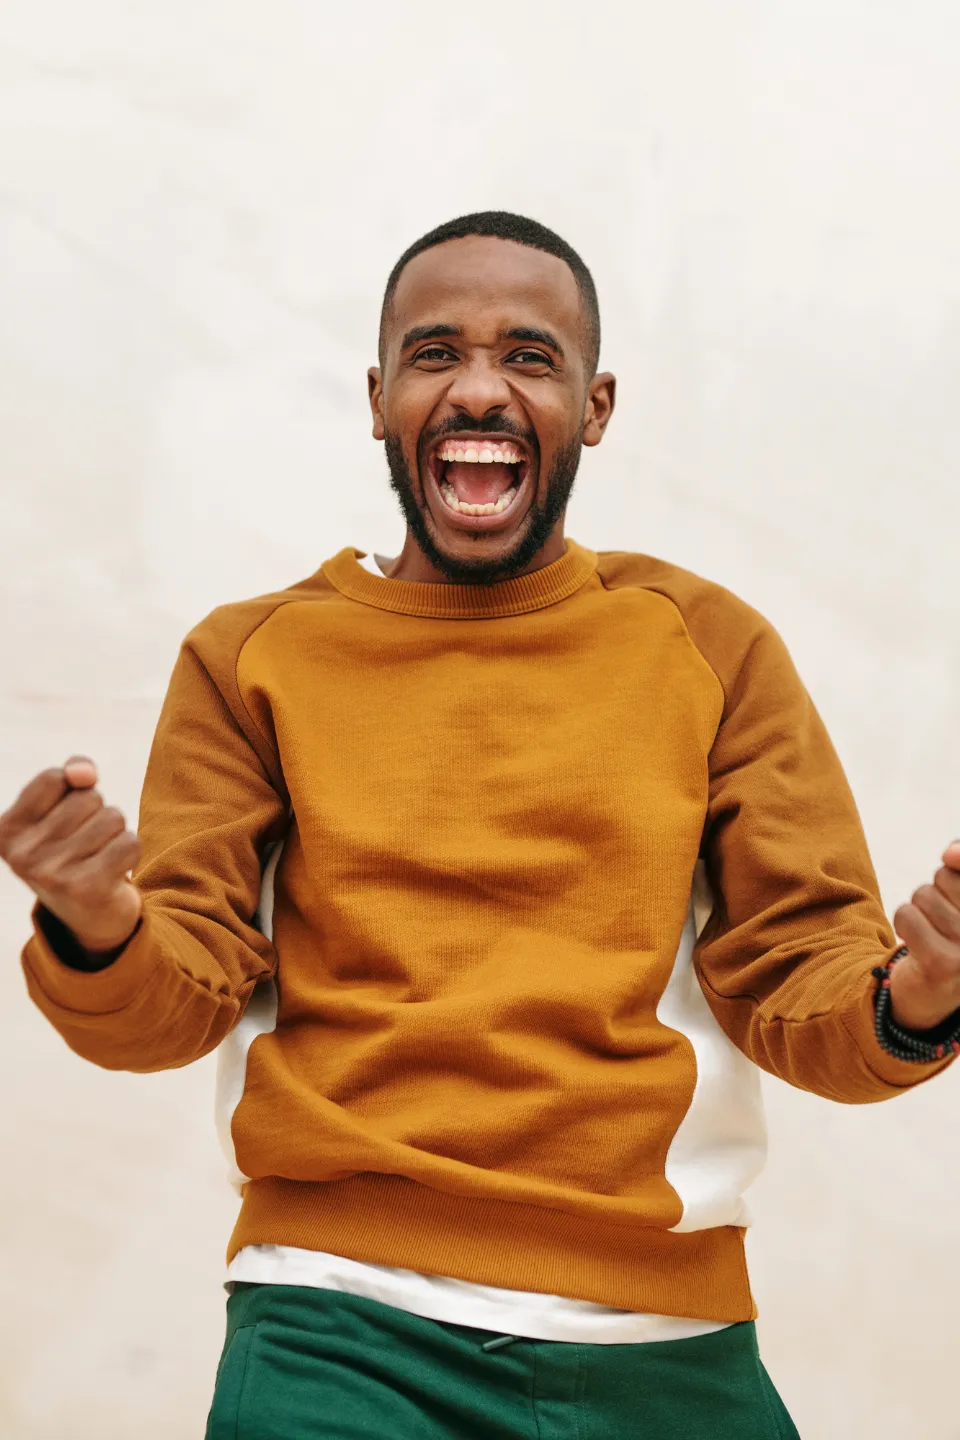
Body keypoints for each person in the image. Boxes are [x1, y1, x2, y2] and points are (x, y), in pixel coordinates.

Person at [4, 210, 960, 1440]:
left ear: (595, 408)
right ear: (378, 399)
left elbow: (801, 979)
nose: (477, 387)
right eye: (435, 352)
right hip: (337, 1328)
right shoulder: (253, 659)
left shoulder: (706, 647)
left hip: (664, 1342)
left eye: (529, 356)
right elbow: (174, 1001)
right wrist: (97, 926)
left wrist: (915, 997)